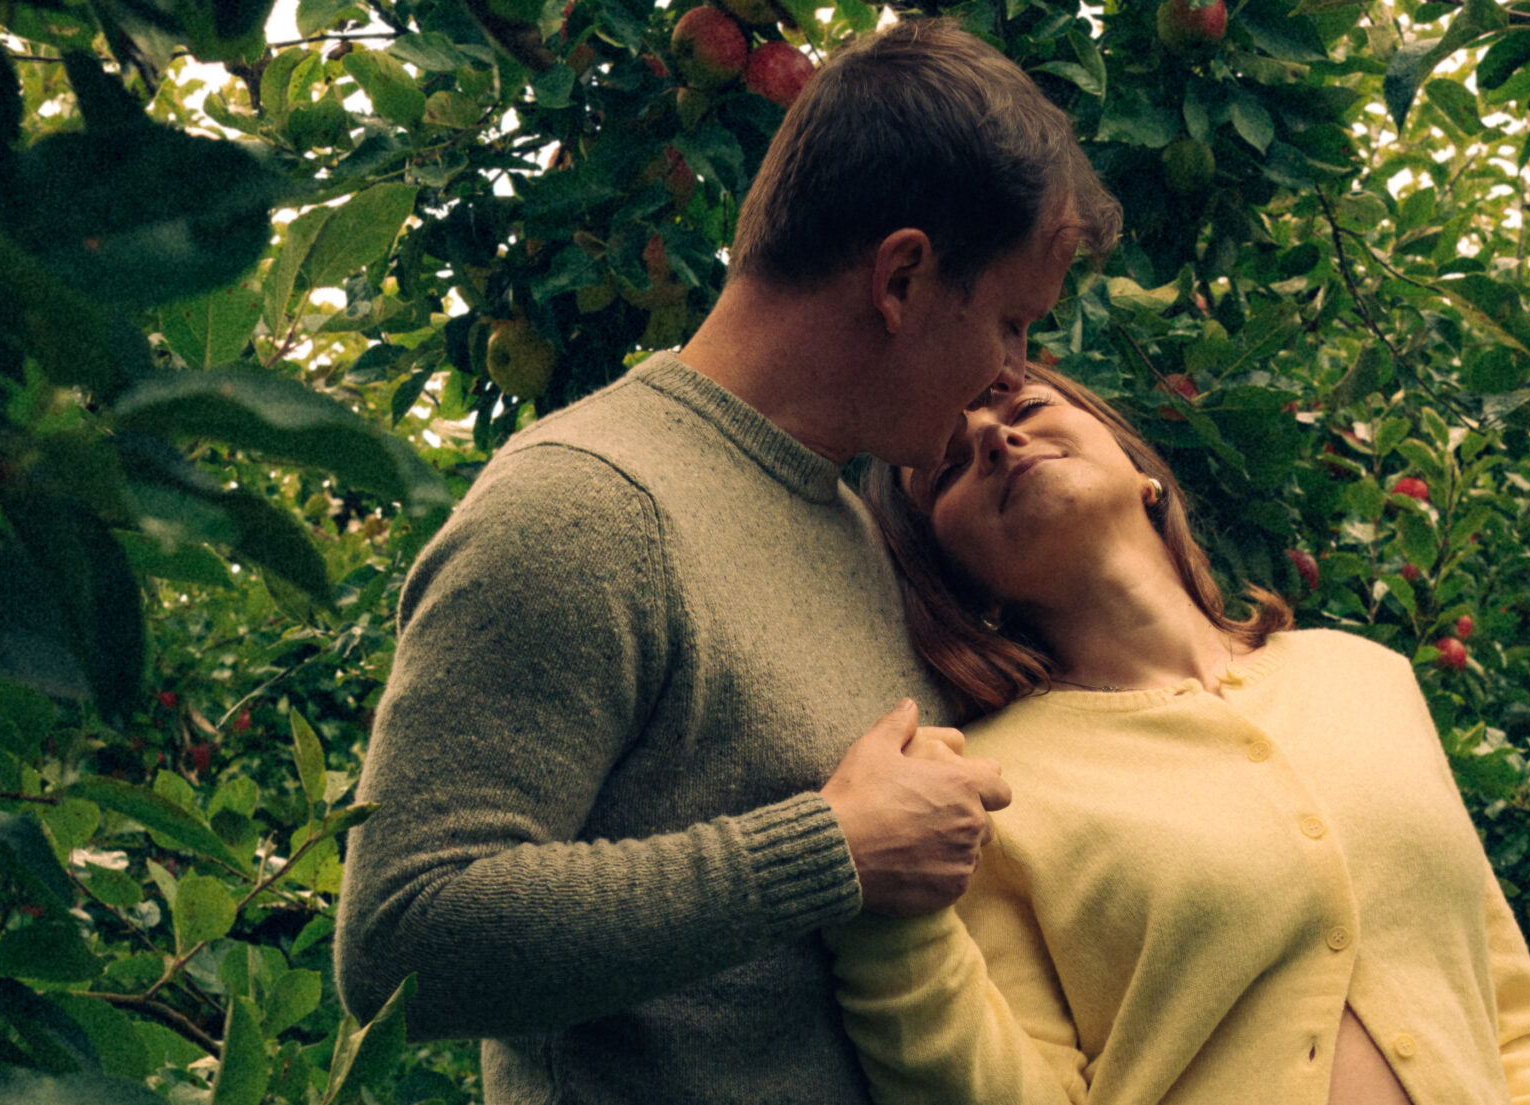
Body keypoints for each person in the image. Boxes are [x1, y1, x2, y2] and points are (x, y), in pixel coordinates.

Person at [332, 18, 1121, 1104]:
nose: (1010, 374)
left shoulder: (845, 521)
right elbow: (401, 948)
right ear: (901, 279)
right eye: (1012, 322)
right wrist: (826, 850)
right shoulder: (587, 506)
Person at [831, 364, 1530, 1105]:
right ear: (953, 577)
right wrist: (887, 924)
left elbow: (1508, 1012)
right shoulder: (988, 785)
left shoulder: (1370, 677)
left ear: (1140, 471)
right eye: (950, 467)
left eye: (1023, 403)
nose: (994, 437)